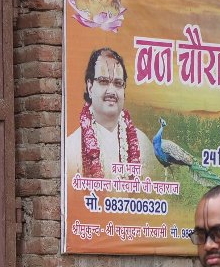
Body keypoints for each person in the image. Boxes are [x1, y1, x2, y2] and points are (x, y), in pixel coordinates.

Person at [63, 48, 160, 182]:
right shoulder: (72, 147)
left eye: (118, 83)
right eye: (103, 81)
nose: (112, 91)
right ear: (90, 88)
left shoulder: (143, 144)